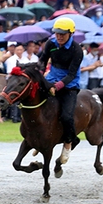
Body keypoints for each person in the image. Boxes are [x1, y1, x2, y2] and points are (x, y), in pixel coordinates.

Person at [39, 17, 83, 164]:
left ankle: (69, 142)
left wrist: (58, 86)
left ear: (71, 33)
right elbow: (43, 60)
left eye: (62, 34)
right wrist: (39, 74)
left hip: (70, 84)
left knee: (66, 117)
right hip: (51, 78)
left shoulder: (77, 50)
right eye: (57, 33)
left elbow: (71, 75)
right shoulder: (50, 43)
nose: (59, 36)